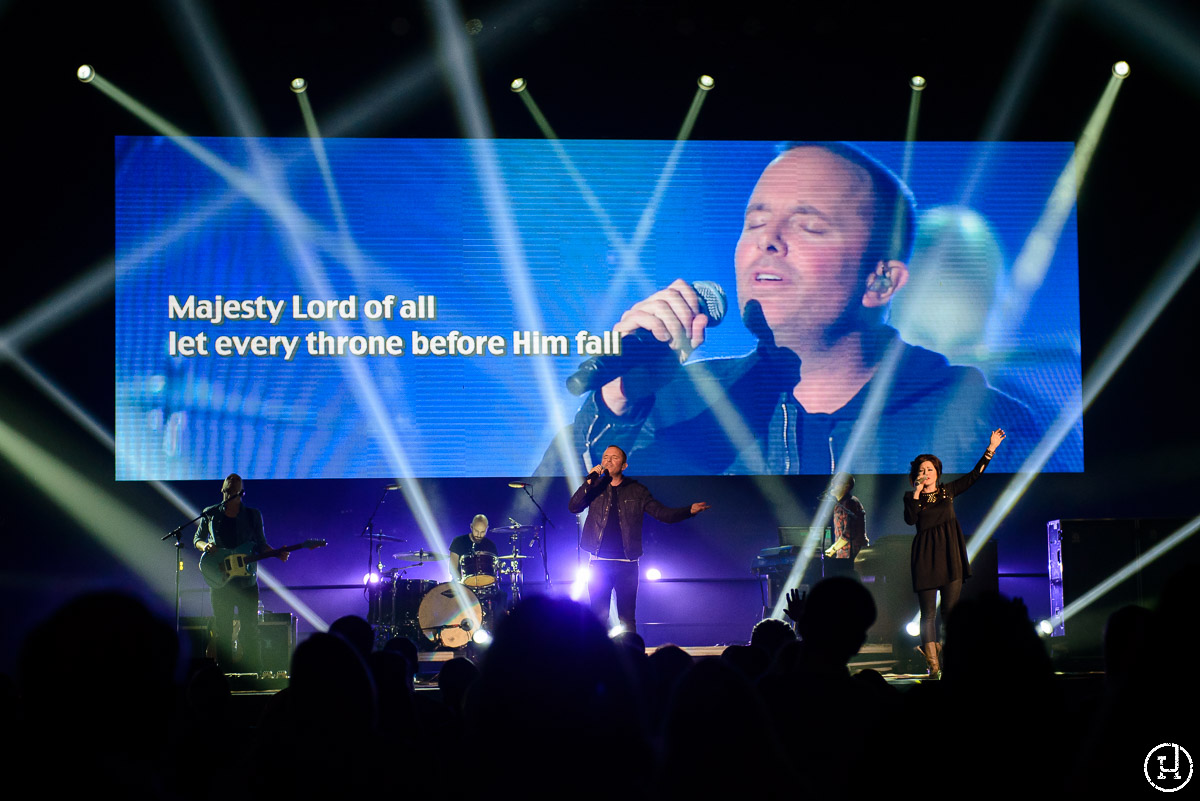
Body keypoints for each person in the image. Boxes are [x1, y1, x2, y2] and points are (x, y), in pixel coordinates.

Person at [537, 142, 1035, 476]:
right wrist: (617, 404)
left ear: (881, 280)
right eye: (754, 222)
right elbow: (537, 526)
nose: (767, 242)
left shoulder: (982, 423)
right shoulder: (669, 403)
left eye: (808, 226)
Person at [569, 445, 710, 632]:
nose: (608, 461)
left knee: (627, 618)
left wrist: (688, 511)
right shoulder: (594, 487)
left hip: (627, 563)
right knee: (597, 618)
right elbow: (574, 507)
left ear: (624, 465)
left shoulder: (637, 491)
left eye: (614, 457)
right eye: (605, 457)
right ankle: (598, 658)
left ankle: (631, 656)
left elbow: (662, 513)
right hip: (598, 562)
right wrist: (588, 482)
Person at [902, 427, 1006, 677]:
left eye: (929, 469)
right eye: (921, 470)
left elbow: (973, 477)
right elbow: (909, 520)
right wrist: (916, 493)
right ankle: (933, 665)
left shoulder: (948, 491)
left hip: (950, 554)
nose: (925, 473)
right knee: (928, 614)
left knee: (951, 611)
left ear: (937, 472)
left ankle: (953, 661)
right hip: (926, 557)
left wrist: (990, 449)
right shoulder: (911, 497)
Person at [194, 473, 287, 673]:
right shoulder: (210, 513)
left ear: (241, 492)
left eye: (233, 492)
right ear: (222, 490)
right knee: (223, 631)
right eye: (226, 491)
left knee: (250, 629)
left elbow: (261, 545)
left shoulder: (253, 515)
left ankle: (254, 673)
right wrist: (205, 546)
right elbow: (197, 539)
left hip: (247, 582)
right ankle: (226, 675)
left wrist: (275, 553)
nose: (229, 495)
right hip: (221, 581)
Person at [823, 472, 868, 560]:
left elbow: (849, 532)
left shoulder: (851, 502)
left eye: (837, 482)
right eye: (833, 481)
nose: (833, 484)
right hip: (844, 555)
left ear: (846, 486)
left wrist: (833, 549)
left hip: (854, 555)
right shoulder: (839, 505)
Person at [448, 514, 500, 583]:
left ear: (487, 528)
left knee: (502, 594)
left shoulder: (490, 545)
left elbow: (494, 570)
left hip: (484, 584)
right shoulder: (458, 541)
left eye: (482, 532)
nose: (479, 535)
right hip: (461, 584)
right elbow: (452, 568)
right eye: (476, 531)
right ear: (471, 527)